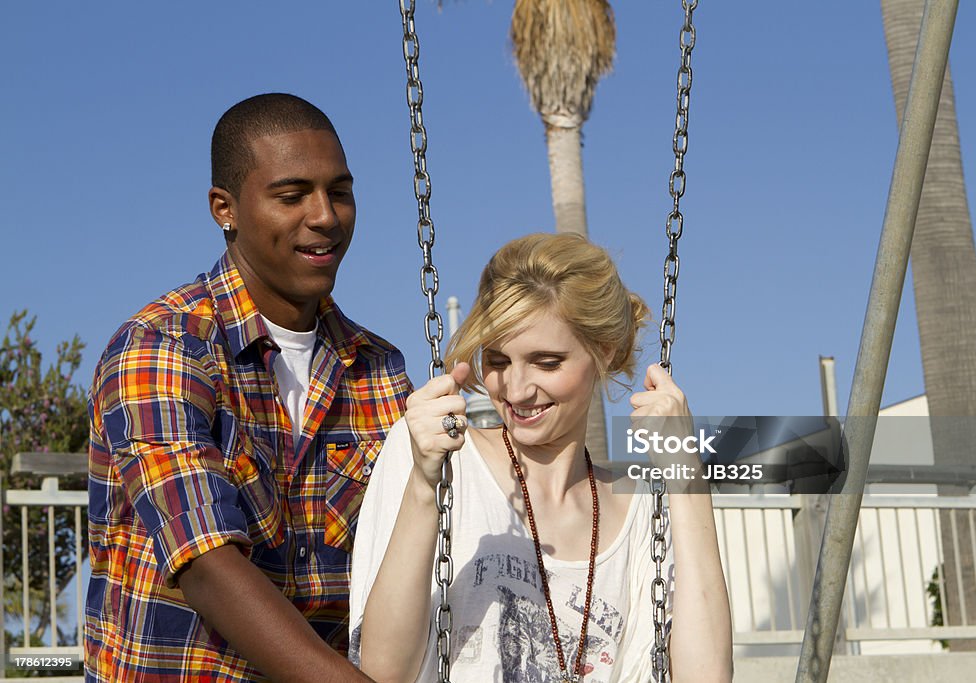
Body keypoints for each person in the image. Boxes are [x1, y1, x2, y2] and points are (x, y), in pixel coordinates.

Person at [86, 93, 411, 682]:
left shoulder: (379, 369)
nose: (325, 216)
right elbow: (206, 561)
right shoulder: (162, 346)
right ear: (224, 208)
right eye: (292, 196)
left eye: (339, 192)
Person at [349, 233, 733, 682]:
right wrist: (422, 485)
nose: (516, 390)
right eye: (497, 360)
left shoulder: (644, 510)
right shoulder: (437, 458)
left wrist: (685, 472)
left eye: (546, 363)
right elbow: (382, 671)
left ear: (602, 352)